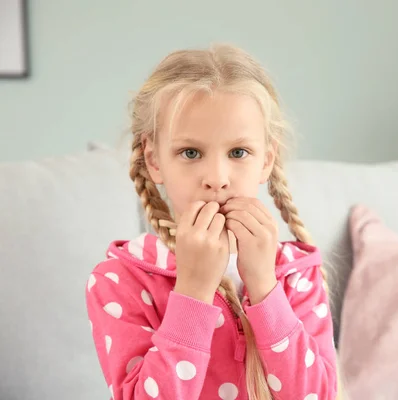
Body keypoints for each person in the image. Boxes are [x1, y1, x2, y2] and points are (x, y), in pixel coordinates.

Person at [85, 43, 339, 400]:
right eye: (190, 153)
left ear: (266, 159)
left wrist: (266, 286)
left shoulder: (296, 274)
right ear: (154, 160)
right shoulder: (121, 279)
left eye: (238, 153)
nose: (217, 178)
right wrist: (193, 291)